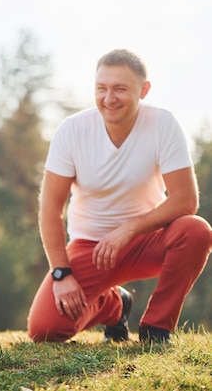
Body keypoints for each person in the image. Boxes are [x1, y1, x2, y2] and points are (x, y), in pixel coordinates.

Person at [27, 49, 212, 344]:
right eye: (101, 88)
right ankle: (114, 305)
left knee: (197, 229)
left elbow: (186, 200)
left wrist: (128, 229)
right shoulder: (71, 131)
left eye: (120, 89)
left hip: (149, 240)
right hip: (91, 247)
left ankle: (156, 328)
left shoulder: (163, 124)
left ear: (144, 90)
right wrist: (61, 274)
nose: (109, 98)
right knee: (45, 330)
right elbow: (50, 208)